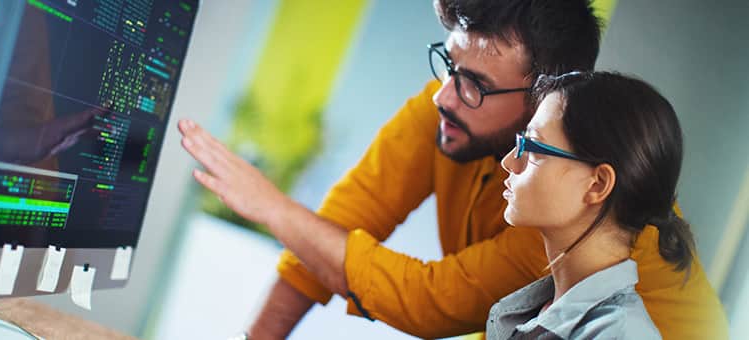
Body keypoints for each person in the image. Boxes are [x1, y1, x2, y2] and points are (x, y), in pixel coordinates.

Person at [178, 0, 728, 338]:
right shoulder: (449, 107)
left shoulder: (577, 216)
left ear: (543, 100)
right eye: (451, 63)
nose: (444, 96)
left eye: (476, 86)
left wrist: (272, 206)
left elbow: (425, 301)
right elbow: (339, 228)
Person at [487, 71, 690, 339]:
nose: (509, 162)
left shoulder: (619, 334)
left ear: (597, 184)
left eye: (533, 146)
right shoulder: (532, 314)